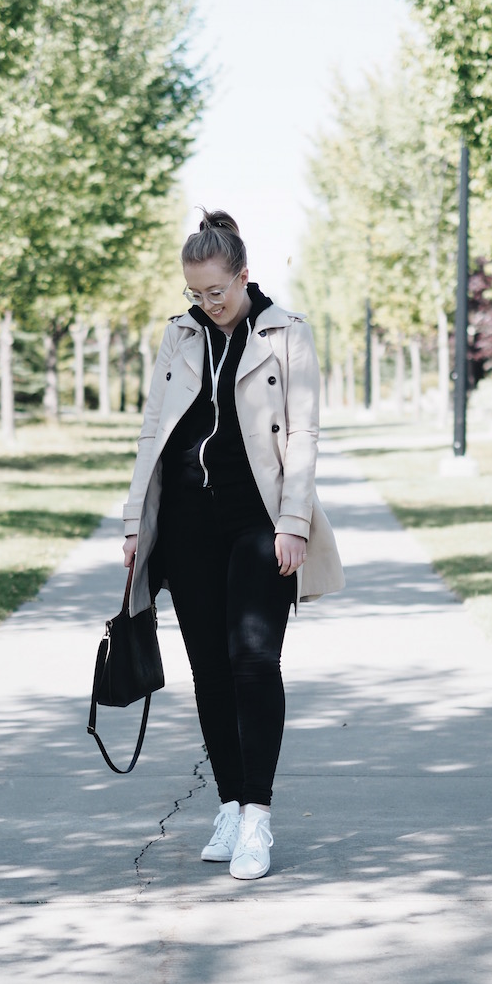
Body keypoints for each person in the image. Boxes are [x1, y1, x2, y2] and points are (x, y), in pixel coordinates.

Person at [121, 209, 344, 880]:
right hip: (187, 526)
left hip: (259, 521)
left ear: (244, 275)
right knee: (210, 672)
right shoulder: (178, 337)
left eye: (216, 291)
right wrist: (137, 523)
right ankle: (228, 802)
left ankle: (258, 818)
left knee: (253, 664)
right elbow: (153, 429)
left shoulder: (285, 333)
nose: (207, 303)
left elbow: (302, 435)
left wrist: (294, 524)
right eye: (195, 293)